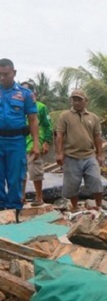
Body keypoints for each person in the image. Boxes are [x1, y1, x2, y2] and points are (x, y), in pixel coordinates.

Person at [0, 59, 40, 221]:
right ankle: (1, 210)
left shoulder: (25, 94)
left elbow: (33, 120)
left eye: (6, 74)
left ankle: (15, 210)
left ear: (14, 73)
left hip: (16, 141)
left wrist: (36, 143)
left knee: (16, 177)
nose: (2, 78)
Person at [55, 89, 104, 211]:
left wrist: (100, 154)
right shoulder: (65, 116)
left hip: (89, 156)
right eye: (74, 99)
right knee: (72, 185)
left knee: (96, 180)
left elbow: (97, 137)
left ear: (86, 101)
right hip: (71, 156)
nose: (76, 102)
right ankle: (75, 207)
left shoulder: (93, 118)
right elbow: (59, 135)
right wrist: (59, 153)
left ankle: (99, 206)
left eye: (79, 100)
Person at [20, 82, 53, 207]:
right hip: (19, 144)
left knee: (36, 173)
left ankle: (39, 197)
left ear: (34, 93)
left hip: (35, 145)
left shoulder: (41, 107)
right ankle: (21, 197)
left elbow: (48, 126)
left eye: (27, 91)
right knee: (20, 173)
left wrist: (46, 142)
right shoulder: (17, 107)